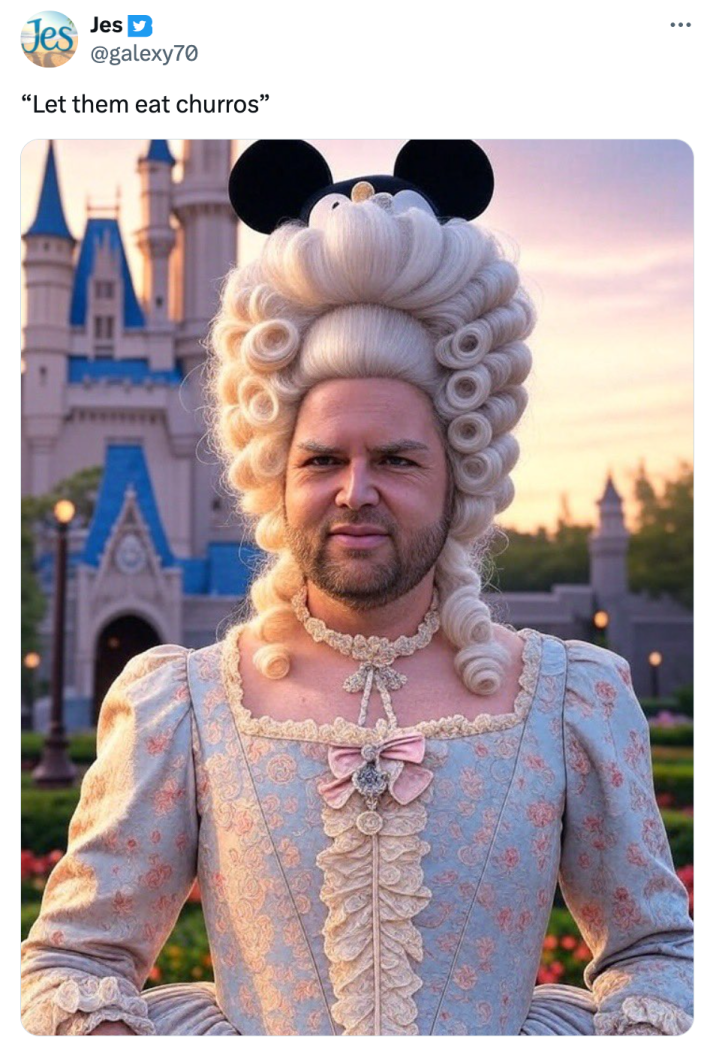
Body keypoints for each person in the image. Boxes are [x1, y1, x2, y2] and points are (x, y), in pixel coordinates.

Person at [20, 141, 694, 1036]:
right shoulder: (183, 705)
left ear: (461, 476)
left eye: (399, 459)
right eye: (324, 459)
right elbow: (74, 957)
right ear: (275, 473)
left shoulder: (571, 699)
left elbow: (658, 952)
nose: (356, 490)